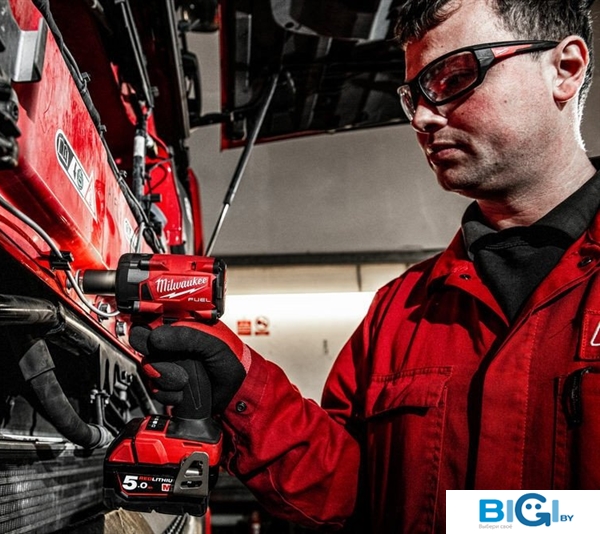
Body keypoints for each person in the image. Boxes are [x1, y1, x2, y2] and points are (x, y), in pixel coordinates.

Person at [129, 0, 598, 531]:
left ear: (565, 69)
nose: (422, 118)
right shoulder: (400, 310)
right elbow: (351, 494)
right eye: (414, 95)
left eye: (454, 77)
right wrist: (241, 390)